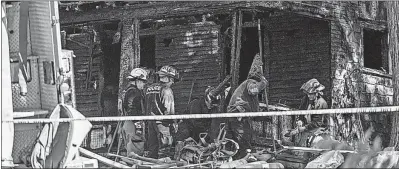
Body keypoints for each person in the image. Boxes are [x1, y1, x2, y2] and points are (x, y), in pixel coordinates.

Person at [226, 54, 268, 159]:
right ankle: (245, 157)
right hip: (237, 114)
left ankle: (244, 156)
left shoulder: (249, 86)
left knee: (245, 136)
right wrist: (262, 84)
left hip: (241, 116)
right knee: (243, 136)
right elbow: (253, 90)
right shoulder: (250, 83)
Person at [145, 65, 179, 159]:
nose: (172, 82)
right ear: (168, 78)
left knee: (152, 150)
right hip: (163, 124)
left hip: (150, 122)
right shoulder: (167, 90)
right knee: (164, 150)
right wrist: (174, 123)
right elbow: (169, 111)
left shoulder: (149, 88)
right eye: (172, 79)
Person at [285, 78, 329, 147]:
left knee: (312, 147)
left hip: (319, 130)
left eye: (311, 94)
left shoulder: (321, 103)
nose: (309, 96)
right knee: (300, 147)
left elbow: (318, 122)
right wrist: (300, 121)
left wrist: (304, 128)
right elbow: (301, 112)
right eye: (308, 93)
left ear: (317, 93)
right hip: (307, 128)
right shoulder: (305, 99)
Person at [119, 68, 149, 156]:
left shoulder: (127, 91)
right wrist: (138, 124)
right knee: (136, 148)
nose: (143, 84)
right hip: (134, 123)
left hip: (128, 122)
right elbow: (131, 108)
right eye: (143, 82)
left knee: (131, 147)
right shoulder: (134, 92)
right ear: (138, 80)